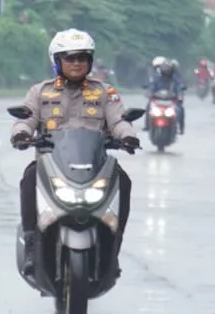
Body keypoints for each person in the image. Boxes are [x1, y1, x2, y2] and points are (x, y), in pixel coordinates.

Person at [11, 29, 139, 275]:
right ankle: (31, 246)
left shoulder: (105, 92)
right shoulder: (40, 92)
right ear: (57, 61)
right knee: (28, 178)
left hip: (95, 166)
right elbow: (26, 119)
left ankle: (113, 249)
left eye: (82, 57)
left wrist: (127, 136)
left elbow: (118, 120)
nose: (77, 63)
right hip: (51, 166)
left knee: (123, 181)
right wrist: (21, 133)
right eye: (70, 58)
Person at [146, 58, 185, 134]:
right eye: (165, 72)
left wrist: (180, 96)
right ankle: (147, 126)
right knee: (148, 108)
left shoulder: (174, 81)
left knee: (180, 109)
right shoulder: (157, 80)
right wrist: (149, 93)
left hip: (171, 102)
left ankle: (180, 127)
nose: (166, 74)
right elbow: (151, 88)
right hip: (158, 102)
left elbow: (179, 89)